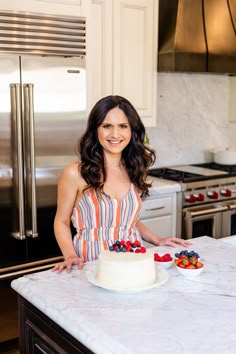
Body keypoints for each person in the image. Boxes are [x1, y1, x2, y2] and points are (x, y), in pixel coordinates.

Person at [52, 95, 191, 273]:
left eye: (123, 126)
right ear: (95, 130)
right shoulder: (76, 173)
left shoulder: (133, 168)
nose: (115, 134)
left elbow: (127, 221)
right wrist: (70, 255)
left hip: (133, 261)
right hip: (93, 265)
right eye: (107, 126)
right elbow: (61, 222)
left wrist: (157, 240)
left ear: (132, 131)